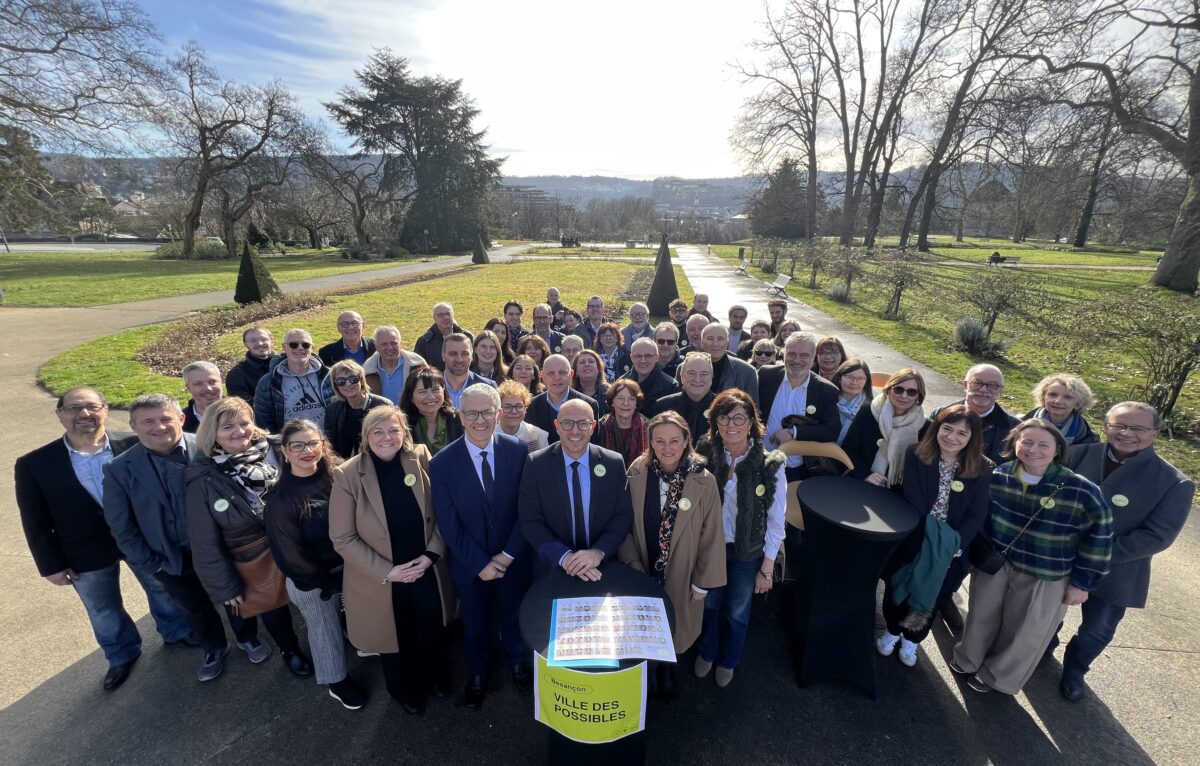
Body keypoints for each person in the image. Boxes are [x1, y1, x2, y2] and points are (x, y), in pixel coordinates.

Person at [16, 387, 192, 692]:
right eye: (73, 409)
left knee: (161, 588)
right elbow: (34, 520)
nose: (84, 414)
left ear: (105, 410)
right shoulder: (35, 464)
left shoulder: (134, 443)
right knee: (103, 608)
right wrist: (50, 564)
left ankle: (176, 631)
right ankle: (121, 654)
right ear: (60, 415)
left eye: (91, 407)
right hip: (83, 549)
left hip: (142, 539)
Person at [951, 419, 1113, 695]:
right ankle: (968, 659)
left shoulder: (1081, 489)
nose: (1033, 450)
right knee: (981, 614)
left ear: (1057, 450)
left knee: (1026, 631)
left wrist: (1082, 583)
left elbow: (1099, 538)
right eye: (1026, 442)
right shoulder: (999, 475)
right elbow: (982, 518)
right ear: (1015, 444)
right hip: (998, 563)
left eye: (1043, 444)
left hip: (1046, 572)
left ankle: (997, 677)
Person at [103, 394, 258, 682]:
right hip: (170, 558)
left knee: (236, 596)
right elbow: (121, 526)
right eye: (148, 421)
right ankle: (213, 647)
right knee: (194, 607)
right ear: (134, 425)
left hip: (221, 549)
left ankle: (248, 637)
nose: (159, 427)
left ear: (181, 419)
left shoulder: (208, 447)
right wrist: (151, 563)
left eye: (166, 418)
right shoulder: (118, 469)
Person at [1058, 402, 1194, 702]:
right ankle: (1043, 647)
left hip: (1117, 569)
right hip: (1058, 556)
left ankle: (1075, 668)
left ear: (1155, 433)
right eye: (1119, 425)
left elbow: (1156, 537)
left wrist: (1092, 554)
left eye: (1138, 428)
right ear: (1106, 426)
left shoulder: (1174, 483)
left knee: (1098, 629)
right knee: (1044, 612)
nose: (1126, 433)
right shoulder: (1076, 454)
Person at [329, 406, 456, 714]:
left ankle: (437, 678)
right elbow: (343, 538)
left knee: (431, 628)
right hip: (382, 577)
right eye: (378, 431)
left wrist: (430, 556)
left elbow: (444, 514)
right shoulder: (347, 474)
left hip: (425, 567)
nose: (387, 438)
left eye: (394, 430)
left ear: (405, 433)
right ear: (366, 436)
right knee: (394, 638)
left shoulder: (422, 458)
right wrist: (390, 572)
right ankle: (404, 691)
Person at [185, 398, 313, 679]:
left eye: (244, 423)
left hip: (300, 542)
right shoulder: (204, 480)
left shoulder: (279, 447)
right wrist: (225, 589)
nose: (239, 431)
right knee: (274, 607)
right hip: (257, 557)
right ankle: (289, 650)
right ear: (212, 433)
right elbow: (205, 543)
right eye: (227, 426)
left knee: (317, 595)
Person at [430, 385, 533, 707]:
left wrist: (505, 556)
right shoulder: (442, 463)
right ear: (461, 417)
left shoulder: (518, 451)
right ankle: (478, 672)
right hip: (469, 566)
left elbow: (527, 511)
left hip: (513, 559)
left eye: (487, 412)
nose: (480, 420)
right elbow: (447, 522)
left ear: (498, 413)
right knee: (474, 623)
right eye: (472, 413)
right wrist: (481, 564)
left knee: (513, 616)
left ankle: (517, 662)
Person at [875, 405, 992, 668]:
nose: (952, 437)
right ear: (937, 427)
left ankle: (912, 640)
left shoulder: (982, 468)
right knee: (898, 586)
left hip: (951, 547)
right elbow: (913, 499)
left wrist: (954, 545)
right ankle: (892, 630)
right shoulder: (917, 454)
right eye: (947, 428)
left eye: (962, 433)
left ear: (972, 438)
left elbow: (976, 514)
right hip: (915, 536)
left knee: (933, 594)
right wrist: (927, 539)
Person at [619, 411, 725, 698]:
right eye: (660, 441)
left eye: (674, 441)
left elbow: (711, 534)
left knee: (674, 621)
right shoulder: (637, 471)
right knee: (644, 621)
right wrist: (631, 560)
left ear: (686, 441)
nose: (667, 448)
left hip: (683, 567)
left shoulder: (704, 480)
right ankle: (646, 668)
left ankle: (667, 668)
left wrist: (703, 582)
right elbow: (623, 522)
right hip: (644, 560)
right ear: (650, 442)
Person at [263, 419, 367, 709]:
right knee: (325, 628)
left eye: (312, 443)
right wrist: (327, 581)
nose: (307, 450)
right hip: (313, 580)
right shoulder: (281, 500)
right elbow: (290, 556)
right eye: (297, 445)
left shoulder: (338, 476)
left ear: (323, 444)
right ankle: (336, 680)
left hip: (350, 568)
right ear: (284, 451)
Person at [694, 389, 786, 688]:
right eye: (724, 417)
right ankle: (707, 652)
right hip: (710, 549)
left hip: (746, 554)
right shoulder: (706, 451)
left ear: (752, 423)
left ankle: (729, 659)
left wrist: (767, 568)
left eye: (739, 418)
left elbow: (776, 521)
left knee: (736, 611)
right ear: (715, 422)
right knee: (709, 605)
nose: (731, 424)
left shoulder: (770, 463)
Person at [518, 398, 634, 578]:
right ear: (556, 425)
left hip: (602, 567)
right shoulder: (536, 463)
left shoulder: (613, 463)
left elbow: (622, 515)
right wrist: (564, 558)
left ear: (593, 426)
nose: (575, 431)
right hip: (553, 567)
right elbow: (530, 520)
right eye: (567, 424)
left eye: (582, 424)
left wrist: (598, 552)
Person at [758, 331, 841, 482]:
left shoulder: (827, 391)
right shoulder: (765, 375)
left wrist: (793, 432)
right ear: (783, 353)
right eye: (791, 354)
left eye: (804, 355)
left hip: (797, 469)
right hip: (760, 462)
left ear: (813, 357)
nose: (797, 360)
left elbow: (831, 431)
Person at [842, 369, 927, 487]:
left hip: (897, 490)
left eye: (912, 392)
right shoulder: (869, 411)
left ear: (919, 396)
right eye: (898, 389)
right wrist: (866, 475)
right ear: (888, 390)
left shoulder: (924, 426)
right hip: (860, 481)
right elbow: (848, 448)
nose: (904, 396)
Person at [925, 363, 1019, 465]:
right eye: (977, 383)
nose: (983, 389)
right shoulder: (940, 415)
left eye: (992, 385)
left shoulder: (1014, 428)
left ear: (999, 391)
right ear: (965, 385)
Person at [253, 328, 330, 433]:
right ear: (284, 347)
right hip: (291, 444)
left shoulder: (329, 375)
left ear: (312, 348)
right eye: (293, 345)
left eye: (305, 345)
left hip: (328, 440)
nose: (300, 348)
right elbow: (264, 420)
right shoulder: (268, 382)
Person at [526, 354, 599, 443]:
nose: (557, 378)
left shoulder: (589, 404)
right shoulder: (531, 405)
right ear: (543, 376)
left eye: (562, 372)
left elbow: (593, 443)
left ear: (571, 374)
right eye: (551, 373)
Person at [324, 360, 390, 459]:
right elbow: (330, 444)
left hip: (377, 462)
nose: (348, 384)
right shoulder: (332, 410)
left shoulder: (383, 405)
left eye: (353, 379)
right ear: (336, 385)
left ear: (362, 380)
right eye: (341, 381)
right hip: (344, 466)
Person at [400, 366, 463, 456]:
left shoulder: (458, 418)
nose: (431, 397)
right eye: (422, 392)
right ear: (411, 397)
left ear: (443, 392)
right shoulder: (402, 425)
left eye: (435, 390)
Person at [1025, 373, 1099, 446]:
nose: (1058, 401)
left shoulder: (1089, 441)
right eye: (1053, 395)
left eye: (1068, 397)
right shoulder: (1020, 425)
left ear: (1078, 403)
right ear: (1043, 397)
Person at [658, 352, 715, 445]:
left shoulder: (723, 408)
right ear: (682, 376)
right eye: (691, 373)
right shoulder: (662, 407)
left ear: (711, 377)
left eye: (704, 374)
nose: (697, 379)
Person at [699, 323, 760, 407]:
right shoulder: (686, 368)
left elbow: (753, 410)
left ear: (727, 341)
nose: (715, 344)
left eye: (720, 339)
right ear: (701, 341)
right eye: (710, 338)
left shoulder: (747, 372)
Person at [362, 325, 426, 405]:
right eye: (384, 344)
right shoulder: (367, 371)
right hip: (381, 416)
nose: (390, 347)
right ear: (377, 347)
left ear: (401, 344)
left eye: (394, 343)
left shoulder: (417, 365)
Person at [592, 379, 648, 467]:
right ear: (612, 402)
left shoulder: (648, 427)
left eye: (631, 399)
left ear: (636, 403)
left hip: (639, 477)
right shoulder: (599, 427)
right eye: (620, 398)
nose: (626, 403)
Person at [619, 336, 680, 417]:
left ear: (657, 357)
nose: (643, 360)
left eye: (648, 356)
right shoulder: (621, 384)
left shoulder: (671, 387)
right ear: (631, 358)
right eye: (638, 356)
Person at [413, 303, 473, 371]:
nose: (445, 317)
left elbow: (475, 363)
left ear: (453, 315)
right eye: (440, 315)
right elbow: (417, 368)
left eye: (448, 314)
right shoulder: (424, 342)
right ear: (434, 318)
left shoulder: (467, 337)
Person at [443, 333, 496, 408]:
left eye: (465, 354)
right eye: (453, 354)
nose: (459, 359)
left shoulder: (487, 387)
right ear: (443, 355)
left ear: (471, 356)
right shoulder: (432, 386)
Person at [495, 380, 550, 452]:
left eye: (519, 406)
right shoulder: (489, 435)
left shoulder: (538, 436)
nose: (514, 411)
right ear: (499, 409)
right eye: (507, 407)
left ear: (525, 408)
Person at [226, 326, 274, 406]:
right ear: (246, 344)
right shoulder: (237, 374)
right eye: (253, 341)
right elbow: (242, 407)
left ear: (272, 340)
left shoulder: (288, 364)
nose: (259, 343)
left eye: (264, 339)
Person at [831, 358, 873, 445]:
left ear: (866, 381)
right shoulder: (826, 400)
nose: (854, 382)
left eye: (860, 378)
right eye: (849, 377)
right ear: (839, 378)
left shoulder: (872, 407)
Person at [182, 361, 223, 433]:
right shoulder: (181, 421)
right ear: (188, 388)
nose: (208, 388)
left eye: (212, 382)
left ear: (221, 382)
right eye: (198, 384)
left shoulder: (240, 413)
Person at [571, 348, 610, 417]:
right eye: (582, 362)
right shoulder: (569, 395)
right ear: (575, 371)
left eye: (591, 361)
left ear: (598, 368)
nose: (587, 364)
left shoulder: (611, 393)